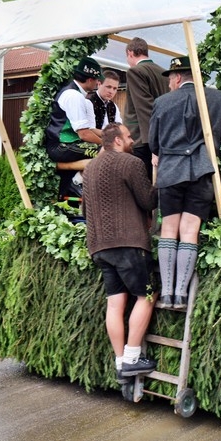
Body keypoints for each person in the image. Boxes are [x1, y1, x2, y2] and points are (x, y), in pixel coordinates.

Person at [149, 56, 221, 309]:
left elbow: (153, 142)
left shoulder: (162, 102)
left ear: (177, 77)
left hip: (170, 171)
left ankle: (166, 293)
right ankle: (181, 296)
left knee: (169, 228)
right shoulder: (216, 97)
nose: (169, 83)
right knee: (190, 231)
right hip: (202, 170)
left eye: (170, 79)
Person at [82, 123, 159, 381]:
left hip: (99, 246)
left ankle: (119, 362)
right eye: (127, 136)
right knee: (147, 295)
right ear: (116, 140)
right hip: (128, 243)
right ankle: (132, 357)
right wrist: (159, 176)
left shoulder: (90, 168)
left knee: (115, 303)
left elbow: (85, 211)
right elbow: (148, 200)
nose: (132, 140)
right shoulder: (131, 163)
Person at [45, 57, 105, 198]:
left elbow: (89, 129)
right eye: (97, 80)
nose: (98, 83)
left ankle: (78, 180)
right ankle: (77, 181)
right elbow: (84, 134)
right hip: (61, 146)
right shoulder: (74, 96)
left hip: (68, 143)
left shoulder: (76, 94)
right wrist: (106, 143)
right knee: (106, 151)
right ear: (90, 80)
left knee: (108, 148)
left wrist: (110, 135)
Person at [125, 37, 170, 180]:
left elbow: (145, 109)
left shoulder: (135, 72)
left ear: (130, 53)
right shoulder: (164, 73)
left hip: (142, 139)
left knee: (142, 185)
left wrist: (153, 145)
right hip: (164, 135)